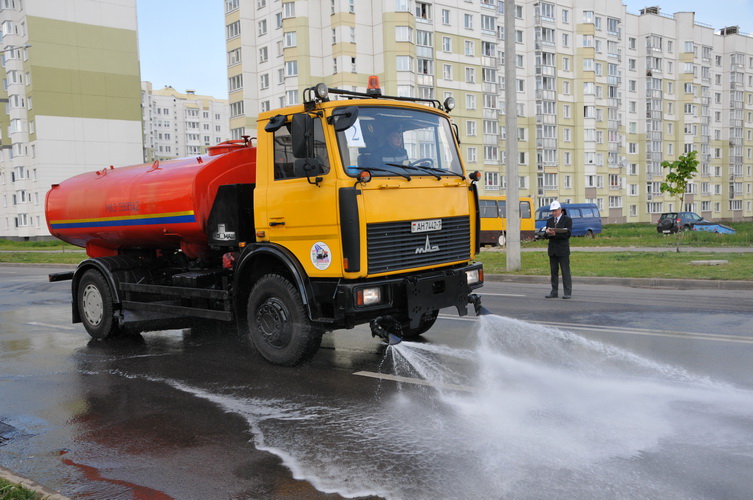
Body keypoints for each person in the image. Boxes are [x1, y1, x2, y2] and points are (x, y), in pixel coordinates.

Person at [544, 200, 573, 299]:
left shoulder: (567, 220)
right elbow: (545, 235)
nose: (554, 213)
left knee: (565, 271)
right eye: (552, 211)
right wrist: (547, 233)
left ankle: (567, 292)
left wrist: (555, 234)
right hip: (553, 250)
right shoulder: (550, 221)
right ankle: (554, 291)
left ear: (560, 210)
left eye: (555, 211)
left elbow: (567, 234)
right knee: (553, 272)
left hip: (563, 250)